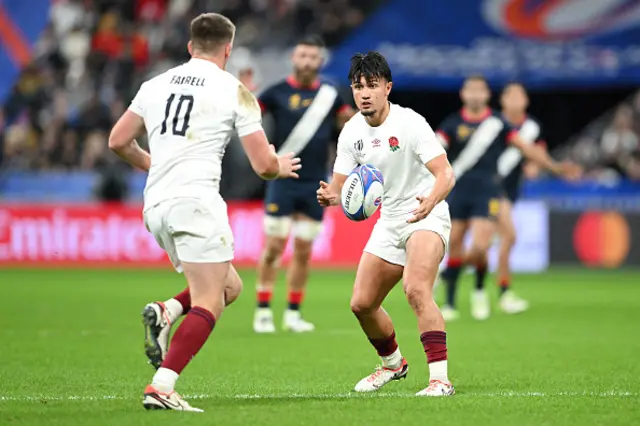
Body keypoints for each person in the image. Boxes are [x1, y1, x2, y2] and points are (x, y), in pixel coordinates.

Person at [108, 13, 300, 411]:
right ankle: (162, 385)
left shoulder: (155, 84)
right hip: (196, 203)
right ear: (228, 49)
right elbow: (262, 165)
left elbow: (117, 140)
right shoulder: (236, 90)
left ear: (190, 46)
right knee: (210, 301)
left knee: (230, 287)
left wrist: (153, 165)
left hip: (157, 205)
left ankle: (166, 311)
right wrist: (279, 166)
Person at [317, 51, 457, 396]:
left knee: (416, 288)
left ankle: (440, 379)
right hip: (390, 220)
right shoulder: (351, 131)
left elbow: (446, 173)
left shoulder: (410, 123)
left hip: (425, 212)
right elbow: (339, 182)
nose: (364, 93)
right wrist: (331, 195)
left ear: (388, 88)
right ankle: (394, 364)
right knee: (361, 303)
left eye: (372, 85)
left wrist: (432, 200)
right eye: (357, 86)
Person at [436, 76, 581, 322]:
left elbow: (527, 148)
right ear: (463, 94)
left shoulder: (498, 123)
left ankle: (461, 281)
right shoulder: (452, 123)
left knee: (481, 246)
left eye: (479, 90)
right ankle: (450, 302)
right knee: (456, 243)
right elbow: (433, 149)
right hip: (458, 190)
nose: (474, 95)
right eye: (470, 90)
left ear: (487, 95)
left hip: (489, 191)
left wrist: (555, 168)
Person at [248, 36, 353, 333]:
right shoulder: (276, 93)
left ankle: (293, 312)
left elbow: (350, 129)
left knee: (305, 249)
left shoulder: (330, 97)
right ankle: (264, 310)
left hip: (315, 184)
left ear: (320, 62)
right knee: (274, 246)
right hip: (283, 179)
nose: (307, 61)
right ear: (294, 59)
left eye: (312, 57)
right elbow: (247, 118)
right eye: (302, 55)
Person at [496, 82, 546, 312]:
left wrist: (534, 166)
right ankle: (504, 293)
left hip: (512, 190)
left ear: (526, 100)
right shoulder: (493, 125)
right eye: (511, 96)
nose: (516, 100)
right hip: (492, 189)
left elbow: (538, 156)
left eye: (520, 96)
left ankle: (446, 275)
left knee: (480, 245)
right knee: (510, 236)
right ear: (503, 100)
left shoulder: (533, 128)